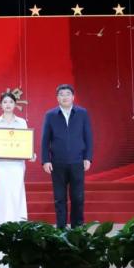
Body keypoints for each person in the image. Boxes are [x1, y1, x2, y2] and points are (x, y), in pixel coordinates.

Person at [41, 84, 93, 229]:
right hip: (57, 162)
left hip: (77, 161)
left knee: (78, 197)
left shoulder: (82, 113)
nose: (65, 97)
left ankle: (77, 227)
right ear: (57, 98)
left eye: (68, 94)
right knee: (59, 198)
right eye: (61, 94)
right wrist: (45, 160)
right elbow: (45, 139)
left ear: (73, 97)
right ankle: (61, 228)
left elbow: (88, 136)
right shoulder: (50, 115)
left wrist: (88, 157)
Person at [0, 92, 36, 227]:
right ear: (0, 105)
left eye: (11, 102)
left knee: (16, 194)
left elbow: (26, 143)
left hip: (17, 165)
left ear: (15, 104)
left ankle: (18, 226)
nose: (8, 104)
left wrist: (31, 154)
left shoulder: (22, 122)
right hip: (0, 165)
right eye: (5, 102)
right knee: (1, 194)